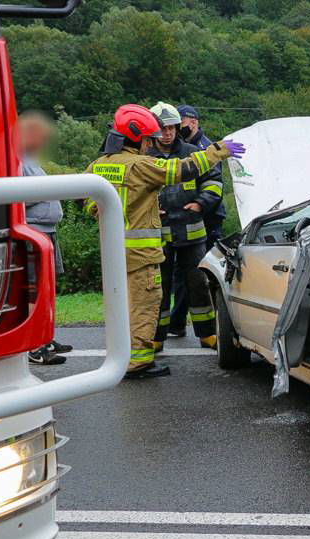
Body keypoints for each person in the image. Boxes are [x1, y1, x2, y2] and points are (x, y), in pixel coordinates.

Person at [84, 104, 244, 379]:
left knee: (122, 306)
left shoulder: (100, 165)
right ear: (135, 139)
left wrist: (101, 208)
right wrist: (218, 150)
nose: (150, 144)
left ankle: (128, 357)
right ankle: (138, 364)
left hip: (114, 252)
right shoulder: (139, 165)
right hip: (140, 253)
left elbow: (87, 197)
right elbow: (181, 170)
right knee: (145, 304)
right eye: (147, 139)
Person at [147, 102, 221, 351]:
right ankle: (157, 337)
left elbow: (214, 181)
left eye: (171, 128)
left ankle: (207, 334)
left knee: (198, 284)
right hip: (159, 235)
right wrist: (147, 208)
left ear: (178, 127)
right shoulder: (144, 157)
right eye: (161, 128)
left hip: (193, 233)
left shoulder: (191, 152)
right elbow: (133, 190)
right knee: (160, 287)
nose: (167, 133)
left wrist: (201, 204)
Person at [167, 104, 226, 337]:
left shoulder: (203, 147)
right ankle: (177, 322)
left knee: (199, 276)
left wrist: (200, 204)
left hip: (205, 219)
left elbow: (213, 180)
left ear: (195, 122)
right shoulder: (173, 149)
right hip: (183, 219)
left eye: (184, 122)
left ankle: (203, 327)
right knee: (182, 276)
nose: (182, 126)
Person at [19, 111, 73, 365]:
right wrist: (44, 193)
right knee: (35, 290)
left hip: (48, 231)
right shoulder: (18, 160)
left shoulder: (31, 160)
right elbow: (17, 197)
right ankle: (34, 347)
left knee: (48, 289)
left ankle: (46, 337)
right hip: (35, 231)